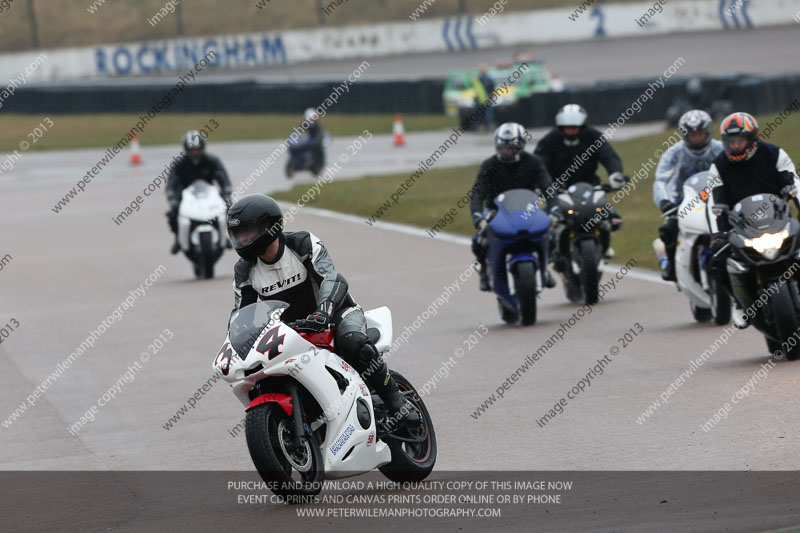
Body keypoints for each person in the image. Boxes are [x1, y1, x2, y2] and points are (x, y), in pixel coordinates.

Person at [225, 194, 421, 433]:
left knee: (354, 342)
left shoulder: (303, 243)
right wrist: (236, 341)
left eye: (248, 232)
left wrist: (324, 312)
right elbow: (241, 312)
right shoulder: (244, 270)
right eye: (238, 234)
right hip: (292, 331)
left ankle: (398, 403)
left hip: (336, 313)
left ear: (270, 226)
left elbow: (331, 278)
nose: (243, 240)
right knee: (263, 372)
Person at [708, 112, 800, 327]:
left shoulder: (775, 154)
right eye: (731, 142)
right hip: (742, 227)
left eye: (740, 140)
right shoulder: (718, 167)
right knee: (717, 262)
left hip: (778, 220)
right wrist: (717, 235)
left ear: (753, 138)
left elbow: (795, 183)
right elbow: (715, 206)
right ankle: (739, 302)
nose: (735, 146)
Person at [470, 122, 555, 291]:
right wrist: (478, 217)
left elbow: (548, 188)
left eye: (512, 147)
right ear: (497, 146)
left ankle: (544, 266)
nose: (507, 151)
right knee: (479, 240)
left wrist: (555, 209)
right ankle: (484, 271)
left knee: (550, 233)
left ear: (521, 146)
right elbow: (477, 194)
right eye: (503, 147)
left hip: (528, 209)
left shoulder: (533, 162)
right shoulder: (488, 165)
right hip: (496, 211)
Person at [534, 104, 626, 258]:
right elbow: (539, 163)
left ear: (583, 126)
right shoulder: (549, 140)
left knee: (611, 216)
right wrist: (541, 184)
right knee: (545, 222)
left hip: (590, 186)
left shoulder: (594, 136)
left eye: (574, 128)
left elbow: (609, 156)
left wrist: (615, 174)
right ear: (560, 127)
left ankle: (605, 243)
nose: (571, 131)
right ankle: (550, 250)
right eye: (567, 128)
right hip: (560, 188)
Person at [653, 110, 723, 281]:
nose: (696, 138)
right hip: (684, 203)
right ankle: (670, 263)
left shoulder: (720, 149)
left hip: (719, 199)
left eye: (700, 134)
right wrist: (665, 202)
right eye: (692, 135)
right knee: (669, 229)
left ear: (708, 132)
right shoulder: (673, 153)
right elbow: (662, 180)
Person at [166, 130, 232, 254]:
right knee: (172, 213)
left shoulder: (212, 161)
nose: (194, 152)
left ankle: (225, 235)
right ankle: (178, 239)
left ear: (202, 148)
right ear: (186, 149)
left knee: (229, 206)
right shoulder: (179, 164)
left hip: (209, 194)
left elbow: (223, 178)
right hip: (186, 195)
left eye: (197, 149)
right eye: (191, 150)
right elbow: (172, 182)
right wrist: (172, 197)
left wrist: (226, 191)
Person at [477, 64, 496, 130]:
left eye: (484, 68)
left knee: (489, 112)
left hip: (488, 97)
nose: (483, 70)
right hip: (480, 98)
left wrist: (491, 95)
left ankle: (489, 124)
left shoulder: (489, 78)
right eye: (482, 69)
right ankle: (482, 125)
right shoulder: (478, 78)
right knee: (481, 113)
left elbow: (492, 87)